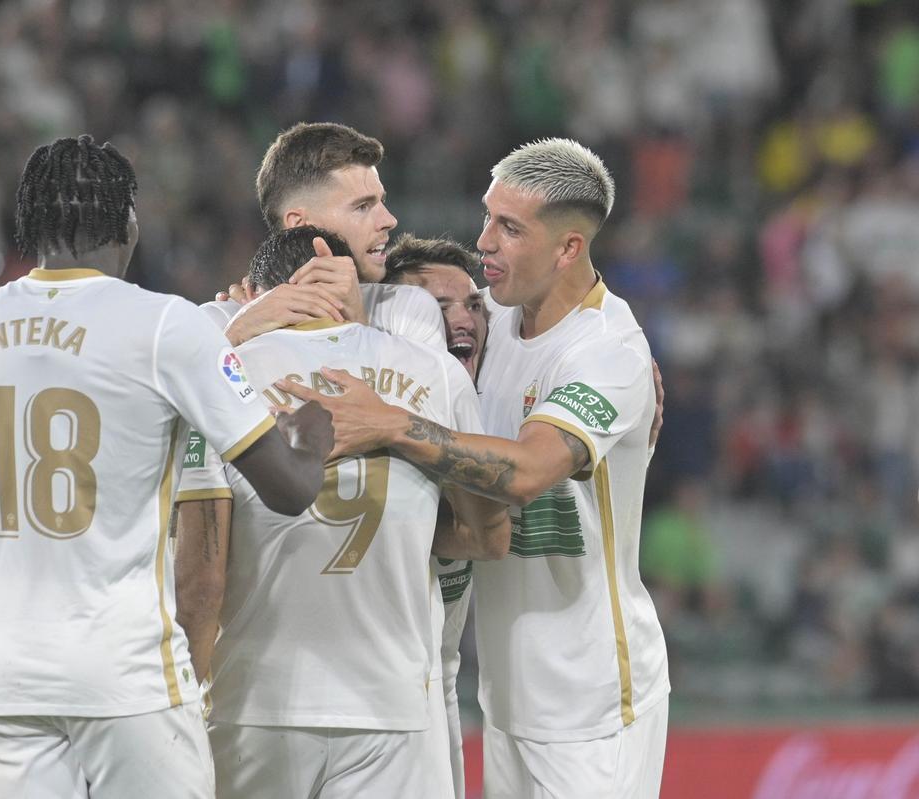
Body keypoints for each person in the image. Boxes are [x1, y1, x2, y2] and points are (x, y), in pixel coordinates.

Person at [0, 135, 333, 799]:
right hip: (126, 674)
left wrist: (3, 558)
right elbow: (291, 491)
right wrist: (312, 433)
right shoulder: (165, 326)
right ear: (129, 223)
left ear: (27, 227)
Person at [279, 139, 670, 799]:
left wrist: (392, 422)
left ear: (568, 248)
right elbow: (382, 311)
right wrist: (257, 305)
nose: (483, 241)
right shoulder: (491, 321)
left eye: (509, 229)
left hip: (593, 701)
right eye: (488, 216)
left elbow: (524, 472)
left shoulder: (607, 353)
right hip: (510, 697)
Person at [174, 225, 509, 799]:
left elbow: (202, 576)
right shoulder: (438, 374)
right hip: (393, 708)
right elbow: (489, 537)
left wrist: (182, 706)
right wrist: (407, 524)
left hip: (254, 703)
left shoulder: (223, 375)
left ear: (261, 291)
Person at [381, 234, 488, 799]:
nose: (460, 319)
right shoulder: (360, 413)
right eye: (434, 307)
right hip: (371, 701)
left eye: (472, 304)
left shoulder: (492, 401)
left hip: (439, 685)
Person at [212, 122, 445, 352]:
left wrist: (357, 325)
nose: (389, 220)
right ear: (299, 225)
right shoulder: (220, 321)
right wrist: (235, 336)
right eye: (362, 206)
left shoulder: (410, 312)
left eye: (381, 201)